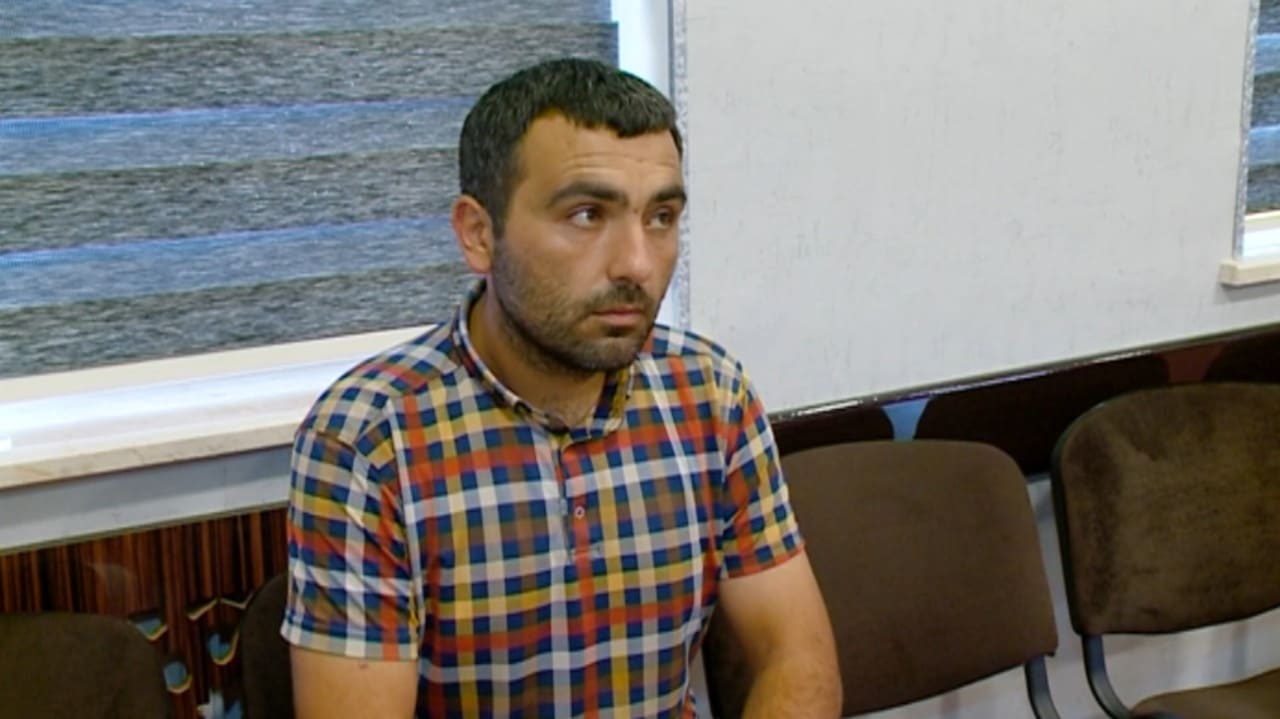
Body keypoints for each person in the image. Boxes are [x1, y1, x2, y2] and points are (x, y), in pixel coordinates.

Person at [282, 57, 841, 718]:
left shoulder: (710, 394)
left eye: (661, 217)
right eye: (586, 215)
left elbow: (797, 659)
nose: (637, 263)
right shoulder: (369, 440)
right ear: (479, 234)